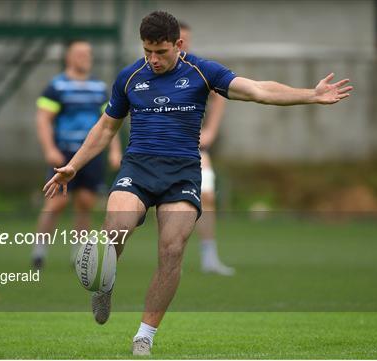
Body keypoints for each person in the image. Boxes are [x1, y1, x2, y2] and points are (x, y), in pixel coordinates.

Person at [43, 11, 352, 356]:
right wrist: (73, 165)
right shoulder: (130, 78)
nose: (153, 59)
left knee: (172, 249)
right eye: (147, 51)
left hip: (182, 173)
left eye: (160, 52)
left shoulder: (203, 72)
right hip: (138, 168)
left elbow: (257, 90)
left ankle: (144, 335)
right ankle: (103, 282)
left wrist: (310, 94)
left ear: (179, 44)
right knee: (115, 227)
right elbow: (104, 128)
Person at [32, 40, 121, 269]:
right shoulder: (57, 86)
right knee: (55, 203)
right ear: (69, 57)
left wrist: (114, 151)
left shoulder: (99, 87)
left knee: (85, 202)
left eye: (88, 53)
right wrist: (49, 149)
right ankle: (39, 251)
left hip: (90, 155)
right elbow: (43, 119)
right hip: (64, 153)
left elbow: (109, 123)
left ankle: (78, 254)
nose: (85, 57)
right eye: (80, 54)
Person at [179, 20, 235, 276]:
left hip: (193, 147)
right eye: (180, 39)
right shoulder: (149, 71)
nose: (184, 44)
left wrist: (210, 131)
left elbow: (221, 95)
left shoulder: (197, 69)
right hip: (159, 152)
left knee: (207, 195)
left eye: (186, 39)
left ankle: (209, 257)